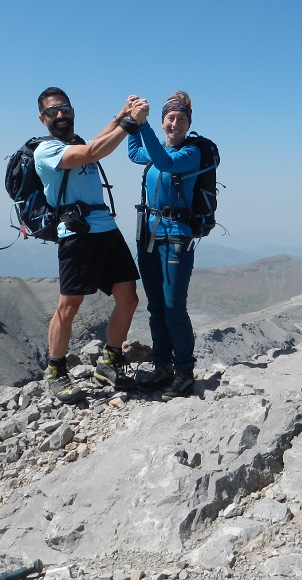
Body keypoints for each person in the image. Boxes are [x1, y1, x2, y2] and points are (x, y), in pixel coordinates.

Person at [34, 86, 150, 403]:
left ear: (72, 111)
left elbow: (93, 144)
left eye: (65, 108)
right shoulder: (46, 151)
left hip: (106, 228)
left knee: (128, 297)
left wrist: (121, 114)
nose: (60, 114)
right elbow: (91, 154)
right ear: (42, 118)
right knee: (69, 305)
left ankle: (109, 361)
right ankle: (55, 371)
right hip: (77, 233)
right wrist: (129, 123)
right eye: (52, 111)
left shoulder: (76, 142)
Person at [127, 90, 201, 400]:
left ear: (188, 124)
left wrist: (143, 125)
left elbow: (165, 161)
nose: (175, 124)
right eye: (170, 118)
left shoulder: (191, 152)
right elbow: (135, 153)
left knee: (173, 308)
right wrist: (132, 120)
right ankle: (162, 366)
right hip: (149, 235)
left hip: (175, 237)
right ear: (163, 121)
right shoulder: (158, 148)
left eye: (181, 119)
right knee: (156, 307)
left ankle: (184, 373)